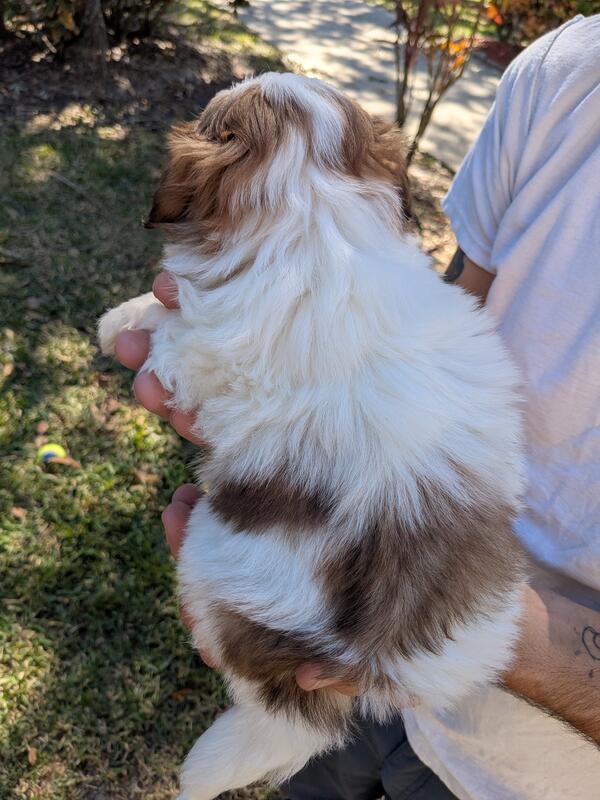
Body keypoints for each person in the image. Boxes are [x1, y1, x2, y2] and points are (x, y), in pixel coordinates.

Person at [114, 14, 600, 800]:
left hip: (527, 761)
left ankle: (275, 709)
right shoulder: (570, 66)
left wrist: (424, 627)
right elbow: (459, 300)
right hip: (385, 641)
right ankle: (282, 717)